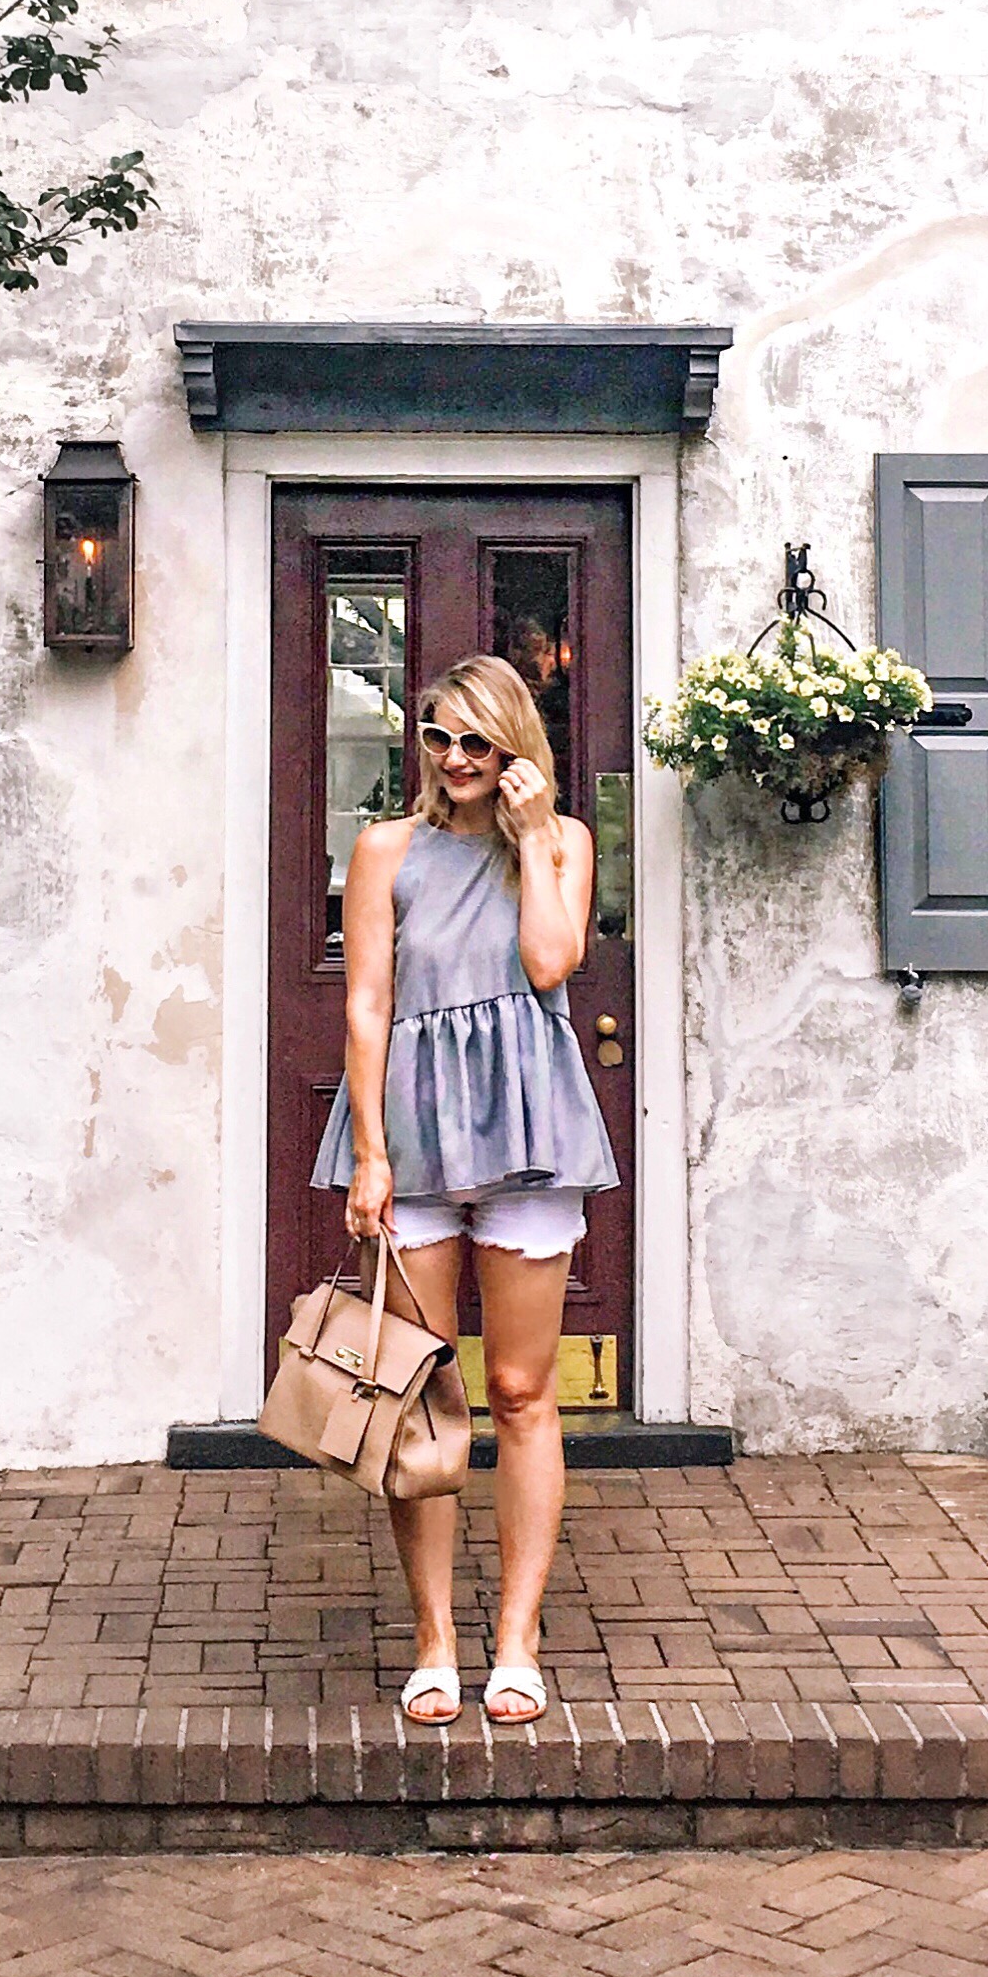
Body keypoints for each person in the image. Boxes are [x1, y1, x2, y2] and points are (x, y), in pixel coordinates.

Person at [312, 652, 612, 1727]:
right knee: (422, 1394)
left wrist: (534, 840)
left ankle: (518, 1641)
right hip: (414, 1134)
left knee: (526, 1393)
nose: (455, 758)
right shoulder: (387, 847)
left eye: (477, 739)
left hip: (529, 1127)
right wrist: (373, 1156)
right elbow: (365, 1009)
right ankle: (435, 1638)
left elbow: (548, 963)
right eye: (437, 737)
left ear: (516, 743)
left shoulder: (564, 841)